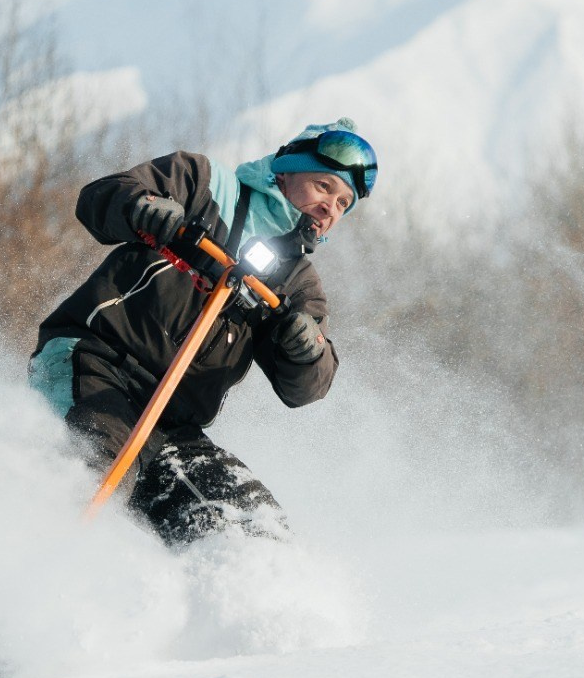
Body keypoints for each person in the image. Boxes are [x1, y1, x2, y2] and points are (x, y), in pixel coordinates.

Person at [29, 118, 378, 546]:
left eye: (344, 204)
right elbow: (99, 200)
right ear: (283, 171)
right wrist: (143, 207)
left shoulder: (298, 283)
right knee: (93, 469)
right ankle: (39, 565)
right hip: (96, 366)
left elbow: (308, 386)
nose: (331, 208)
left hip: (173, 425)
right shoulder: (203, 183)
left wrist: (305, 349)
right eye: (324, 187)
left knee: (251, 527)